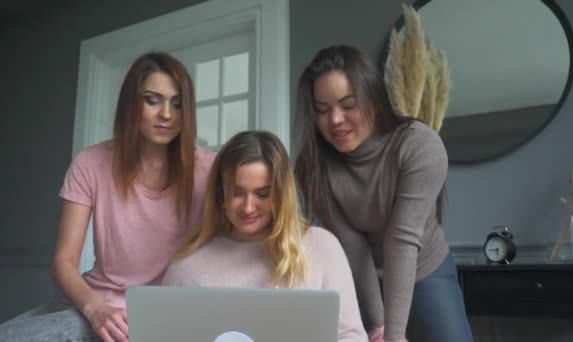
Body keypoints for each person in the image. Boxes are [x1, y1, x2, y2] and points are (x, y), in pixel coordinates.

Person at [0, 52, 215, 342]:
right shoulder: (90, 163)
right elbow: (64, 260)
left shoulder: (209, 169)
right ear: (131, 104)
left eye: (177, 103)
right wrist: (95, 309)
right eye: (152, 100)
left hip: (164, 313)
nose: (166, 114)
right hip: (93, 304)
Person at [294, 45, 473, 342]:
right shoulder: (312, 165)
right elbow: (353, 246)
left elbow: (402, 238)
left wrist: (396, 334)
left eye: (348, 105)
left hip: (423, 268)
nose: (335, 119)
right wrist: (379, 325)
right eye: (322, 110)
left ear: (373, 100)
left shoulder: (419, 146)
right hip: (362, 278)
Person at [162, 130, 367, 342]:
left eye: (263, 194)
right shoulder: (188, 264)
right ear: (221, 193)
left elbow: (352, 336)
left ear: (281, 194)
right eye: (237, 192)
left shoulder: (322, 247)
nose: (248, 207)